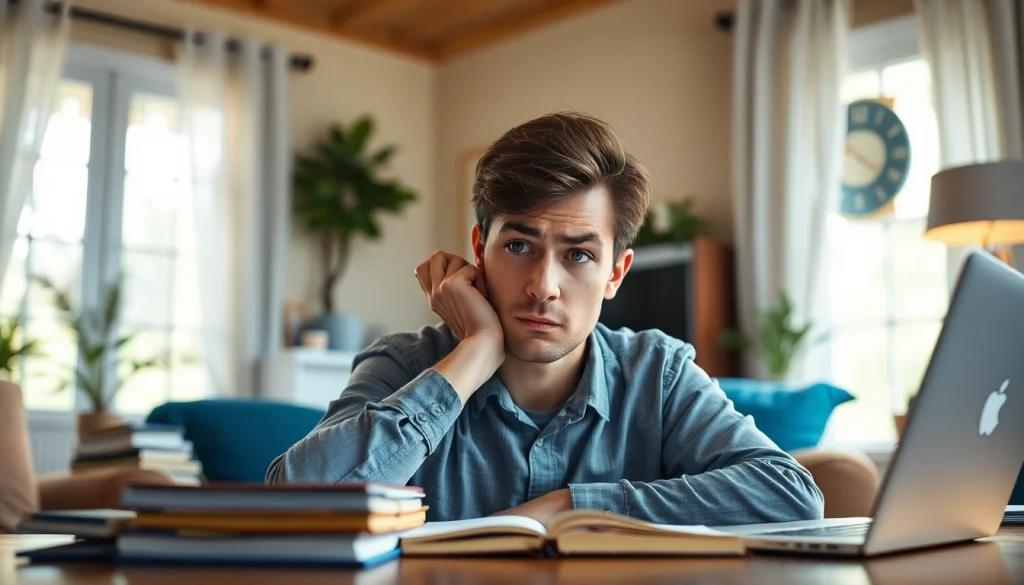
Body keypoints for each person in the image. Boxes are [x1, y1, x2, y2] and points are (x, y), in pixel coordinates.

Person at [267, 112, 824, 526]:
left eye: (578, 255)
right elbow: (292, 503)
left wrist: (573, 507)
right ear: (479, 249)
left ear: (616, 273)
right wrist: (475, 352)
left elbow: (790, 493)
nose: (543, 286)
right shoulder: (407, 363)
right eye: (518, 246)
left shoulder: (658, 373)